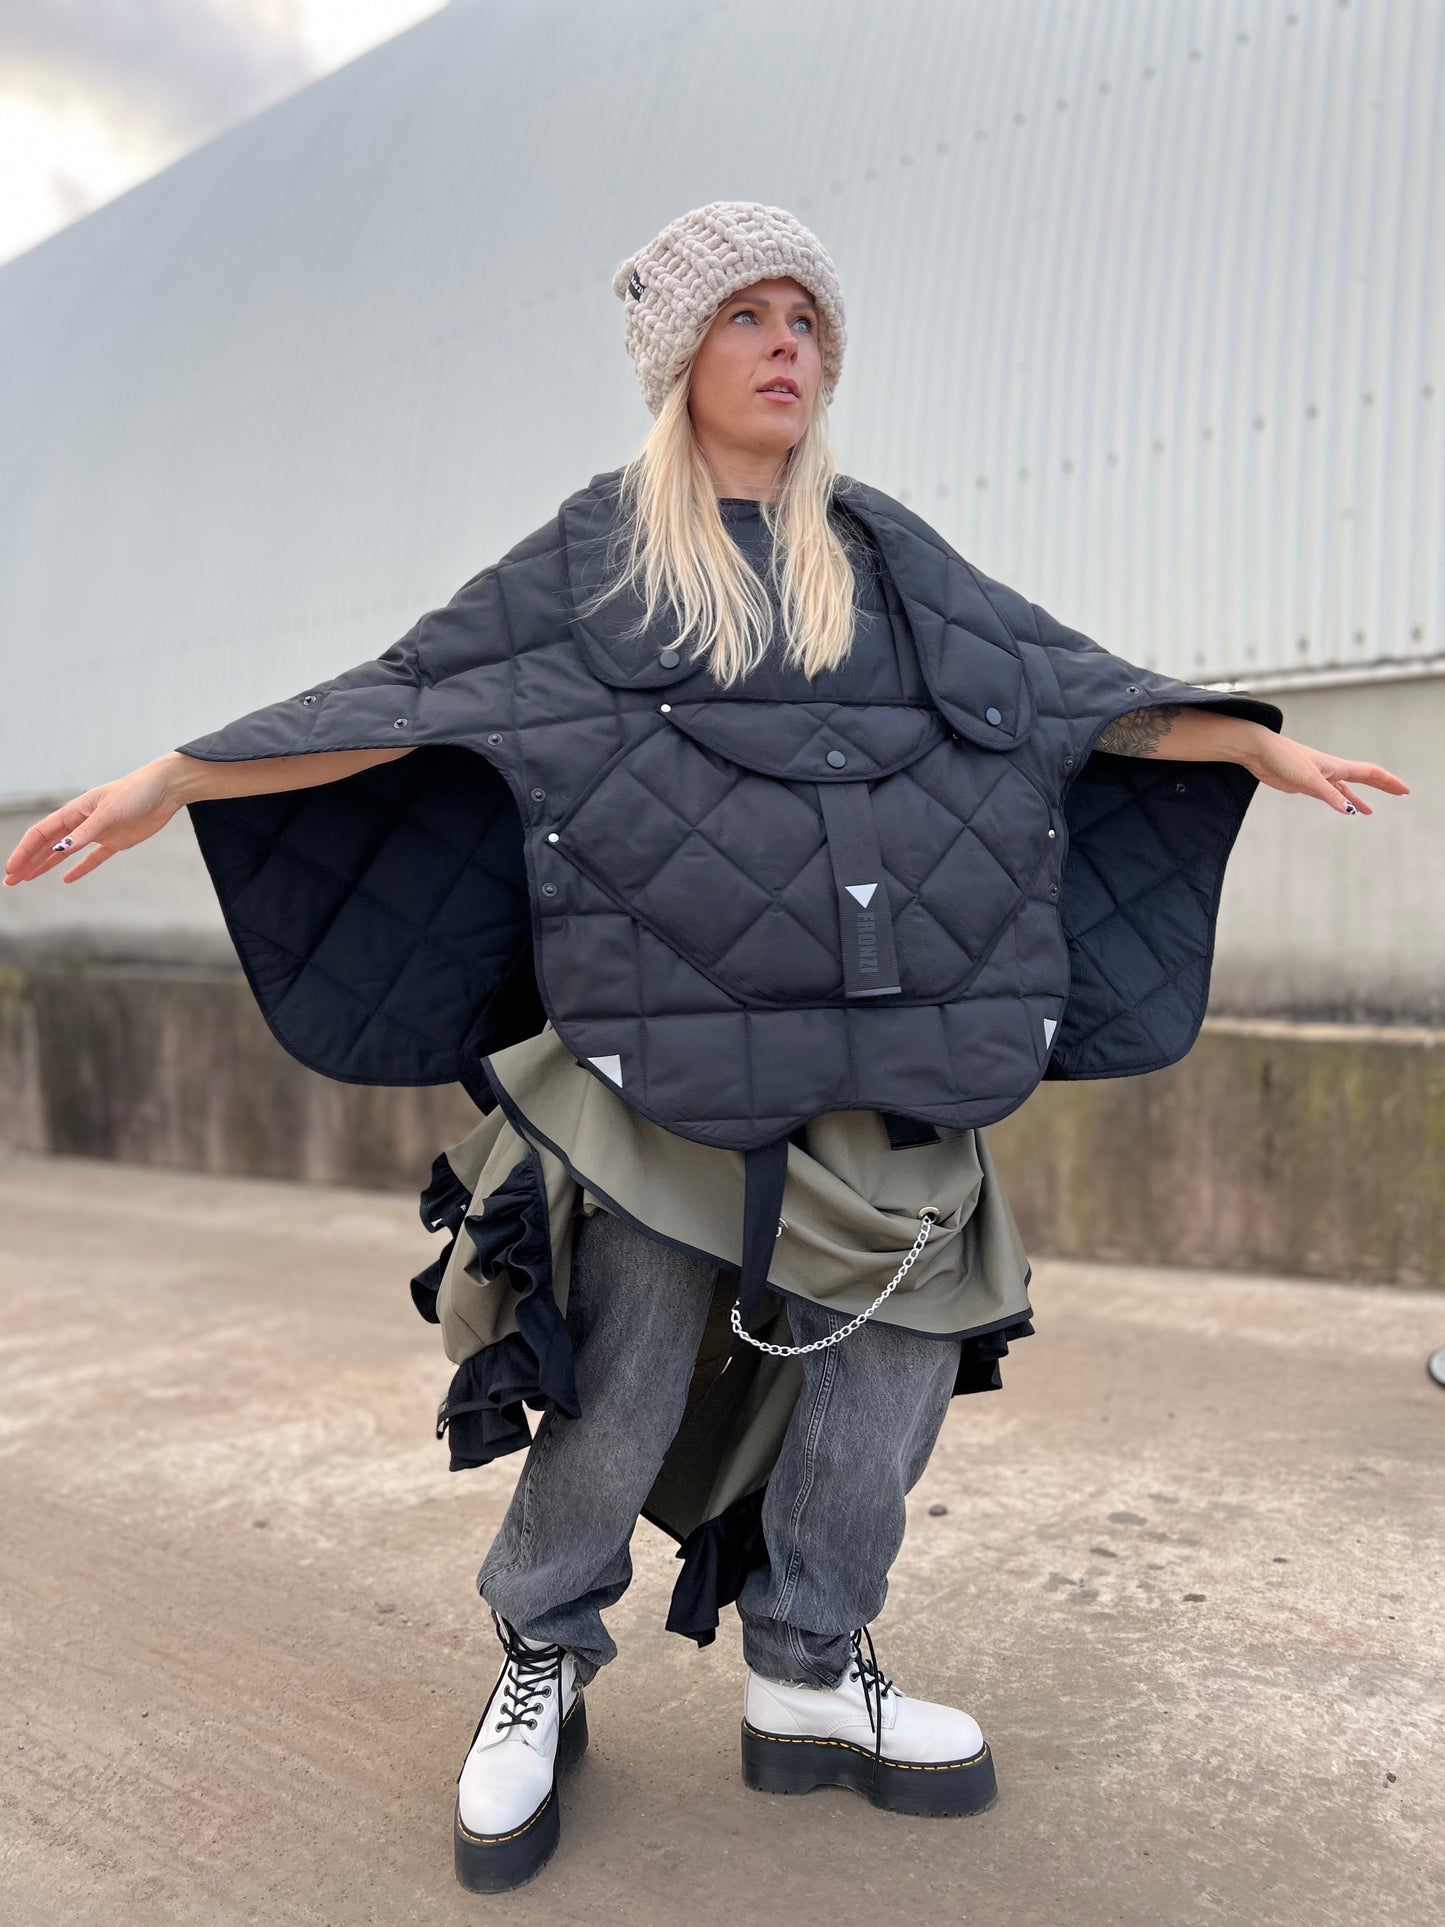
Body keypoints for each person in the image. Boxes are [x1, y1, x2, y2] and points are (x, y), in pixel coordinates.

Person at [3, 201, 1407, 1896]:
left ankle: (810, 1666)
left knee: (891, 1374)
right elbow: (404, 700)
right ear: (681, 354)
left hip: (884, 1055)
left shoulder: (883, 554)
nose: (786, 346)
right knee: (617, 1375)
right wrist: (178, 776)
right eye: (748, 316)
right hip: (655, 1066)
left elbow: (1058, 691)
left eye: (806, 318)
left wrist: (1244, 751)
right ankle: (543, 1654)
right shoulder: (598, 557)